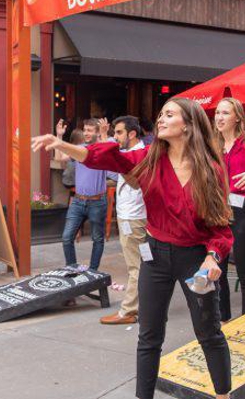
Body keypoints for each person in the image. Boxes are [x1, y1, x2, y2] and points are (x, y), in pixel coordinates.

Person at [32, 98, 232, 399]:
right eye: (161, 114)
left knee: (209, 333)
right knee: (149, 336)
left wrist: (212, 257)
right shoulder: (149, 157)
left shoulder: (211, 170)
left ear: (188, 125)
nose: (161, 120)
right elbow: (107, 158)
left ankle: (223, 395)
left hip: (195, 259)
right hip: (155, 256)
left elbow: (221, 229)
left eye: (169, 115)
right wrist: (62, 146)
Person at [98, 116, 147, 325]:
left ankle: (129, 310)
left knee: (136, 267)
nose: (115, 137)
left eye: (119, 133)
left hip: (133, 219)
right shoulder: (130, 153)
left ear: (132, 134)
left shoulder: (138, 155)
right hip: (134, 217)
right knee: (143, 264)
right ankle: (148, 308)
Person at [55, 118, 112, 272]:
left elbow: (110, 153)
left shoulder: (102, 148)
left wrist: (104, 134)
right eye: (85, 130)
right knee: (67, 238)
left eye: (90, 130)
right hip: (78, 201)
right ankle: (73, 270)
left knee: (98, 239)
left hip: (97, 202)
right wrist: (59, 136)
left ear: (97, 132)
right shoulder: (79, 148)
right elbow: (59, 158)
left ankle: (92, 272)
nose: (86, 133)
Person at [215, 97, 245, 322]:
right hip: (217, 211)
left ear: (237, 118)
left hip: (242, 212)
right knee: (218, 269)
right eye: (217, 112)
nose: (219, 117)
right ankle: (223, 318)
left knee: (243, 270)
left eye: (225, 113)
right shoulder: (212, 146)